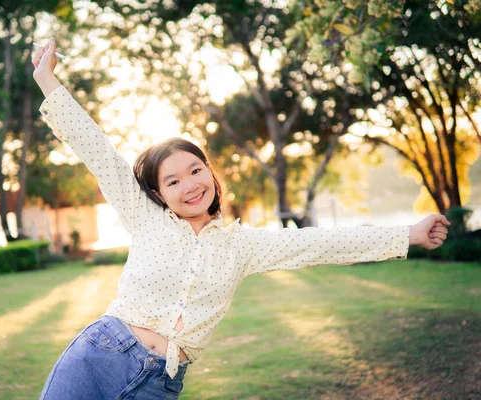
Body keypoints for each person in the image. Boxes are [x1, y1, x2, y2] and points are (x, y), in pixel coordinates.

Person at [31, 38, 450, 400]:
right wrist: (47, 79)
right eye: (173, 180)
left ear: (210, 173)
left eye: (196, 170)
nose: (190, 185)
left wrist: (408, 234)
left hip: (160, 383)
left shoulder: (241, 246)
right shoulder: (145, 217)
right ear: (159, 193)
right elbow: (97, 151)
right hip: (101, 354)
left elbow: (320, 243)